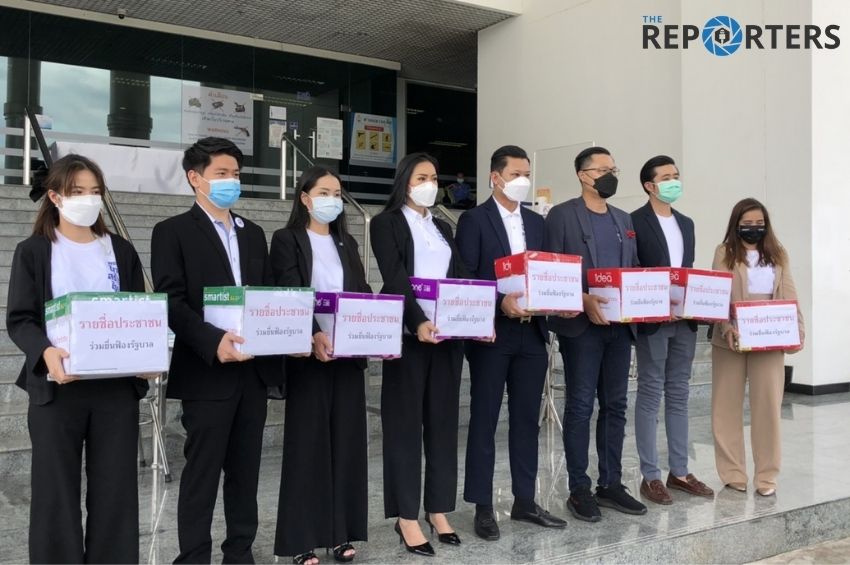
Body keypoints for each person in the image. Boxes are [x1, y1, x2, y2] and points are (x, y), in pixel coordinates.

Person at [6, 154, 149, 563]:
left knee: (115, 492)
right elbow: (20, 319)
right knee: (55, 494)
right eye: (77, 191)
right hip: (58, 388)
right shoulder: (34, 251)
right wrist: (45, 351)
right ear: (55, 197)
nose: (88, 199)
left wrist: (148, 351)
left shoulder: (119, 250)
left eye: (95, 191)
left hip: (114, 390)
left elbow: (138, 311)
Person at [151, 137, 284, 563]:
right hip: (206, 372)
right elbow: (171, 301)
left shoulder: (254, 233)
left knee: (245, 473)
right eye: (221, 173)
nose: (232, 181)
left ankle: (240, 552)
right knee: (202, 474)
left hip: (252, 372)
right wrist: (213, 341)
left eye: (236, 174)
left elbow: (266, 297)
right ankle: (193, 556)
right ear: (195, 178)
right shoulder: (172, 232)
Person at [455, 145, 566, 541]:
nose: (523, 181)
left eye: (527, 174)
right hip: (492, 334)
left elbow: (547, 271)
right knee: (485, 419)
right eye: (516, 174)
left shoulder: (536, 222)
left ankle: (525, 500)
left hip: (532, 334)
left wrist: (560, 300)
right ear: (495, 177)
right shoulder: (474, 220)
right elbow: (466, 275)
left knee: (525, 421)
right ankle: (483, 505)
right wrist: (499, 301)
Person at [370, 152, 470, 557]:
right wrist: (418, 321)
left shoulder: (443, 225)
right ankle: (406, 516)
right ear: (404, 182)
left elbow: (461, 276)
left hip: (447, 336)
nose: (430, 184)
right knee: (404, 426)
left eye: (433, 177)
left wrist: (475, 317)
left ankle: (438, 509)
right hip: (409, 337)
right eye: (421, 177)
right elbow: (394, 276)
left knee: (443, 424)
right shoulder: (386, 223)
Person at [270, 167, 371, 565]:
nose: (333, 199)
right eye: (324, 192)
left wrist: (376, 328)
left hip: (347, 355)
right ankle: (302, 538)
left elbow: (362, 291)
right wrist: (312, 333)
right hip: (307, 357)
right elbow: (288, 289)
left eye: (338, 193)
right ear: (305, 198)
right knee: (307, 447)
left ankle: (340, 533)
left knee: (347, 444)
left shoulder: (347, 242)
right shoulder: (287, 240)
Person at [543, 146, 647, 522]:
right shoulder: (562, 215)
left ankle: (611, 484)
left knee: (615, 405)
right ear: (583, 175)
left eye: (613, 169)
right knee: (581, 405)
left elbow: (633, 267)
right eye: (603, 169)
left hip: (619, 328)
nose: (609, 175)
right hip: (581, 328)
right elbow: (551, 271)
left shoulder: (623, 219)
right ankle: (579, 488)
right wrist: (583, 298)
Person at [631, 155, 714, 505]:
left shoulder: (686, 223)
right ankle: (650, 475)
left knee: (679, 392)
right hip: (653, 321)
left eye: (676, 175)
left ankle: (679, 471)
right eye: (666, 177)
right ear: (649, 185)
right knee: (651, 391)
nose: (673, 182)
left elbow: (688, 269)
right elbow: (632, 269)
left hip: (684, 321)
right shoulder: (633, 221)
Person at [710, 198, 804, 497]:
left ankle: (767, 476)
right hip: (731, 339)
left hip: (769, 338)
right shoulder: (724, 252)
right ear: (736, 225)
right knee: (726, 408)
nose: (754, 228)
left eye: (759, 224)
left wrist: (798, 331)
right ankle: (733, 472)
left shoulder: (778, 253)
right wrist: (725, 326)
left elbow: (789, 293)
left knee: (768, 409)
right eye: (747, 224)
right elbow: (718, 295)